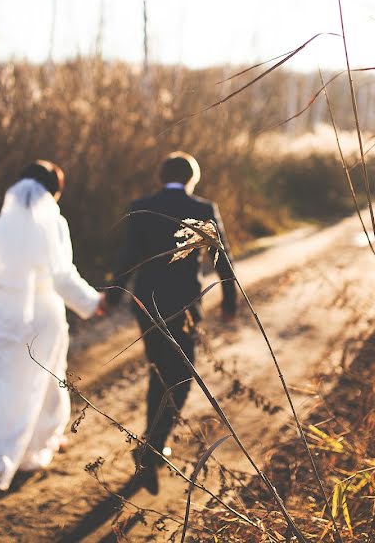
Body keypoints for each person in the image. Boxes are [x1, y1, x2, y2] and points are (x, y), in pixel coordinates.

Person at [0, 160, 103, 490]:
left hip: (7, 314)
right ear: (53, 191)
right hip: (44, 316)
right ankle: (32, 451)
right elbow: (61, 275)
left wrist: (5, 287)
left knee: (6, 388)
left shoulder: (6, 222)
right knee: (45, 382)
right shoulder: (53, 221)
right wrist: (92, 302)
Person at [106, 151, 237, 494]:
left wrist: (112, 297)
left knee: (159, 370)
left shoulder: (141, 206)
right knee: (181, 375)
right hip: (185, 304)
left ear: (161, 177)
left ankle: (151, 445)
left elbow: (127, 256)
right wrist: (230, 301)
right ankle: (151, 447)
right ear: (192, 178)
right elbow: (222, 258)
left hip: (146, 302)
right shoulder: (203, 209)